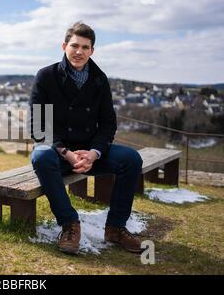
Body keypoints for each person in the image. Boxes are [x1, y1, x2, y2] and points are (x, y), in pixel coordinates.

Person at [30, 22, 143, 255]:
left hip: (90, 152)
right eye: (74, 45)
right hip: (58, 152)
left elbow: (108, 123)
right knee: (40, 156)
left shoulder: (100, 79)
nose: (79, 51)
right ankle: (70, 225)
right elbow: (39, 126)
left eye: (85, 47)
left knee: (131, 159)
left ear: (92, 50)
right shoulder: (46, 76)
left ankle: (116, 228)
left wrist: (94, 153)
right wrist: (66, 153)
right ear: (64, 46)